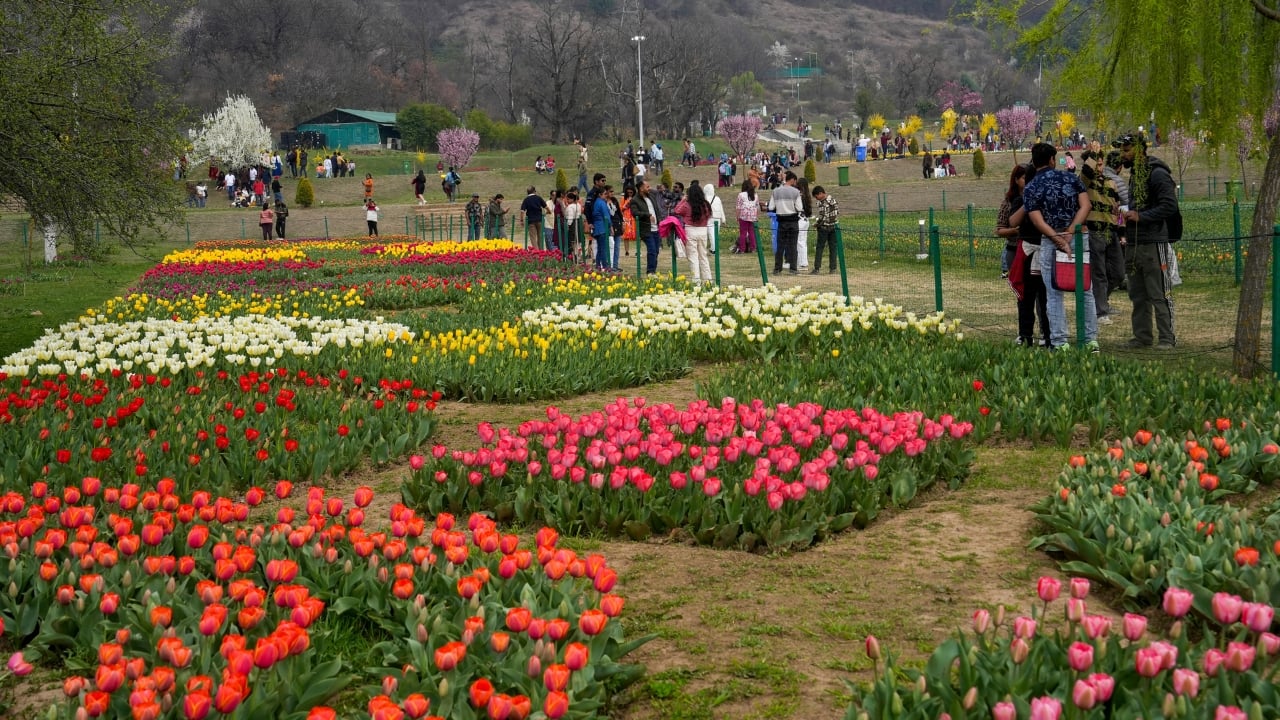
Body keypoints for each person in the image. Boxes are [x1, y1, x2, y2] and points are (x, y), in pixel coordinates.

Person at [1023, 142, 1097, 353]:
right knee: (1085, 289)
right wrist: (1072, 231)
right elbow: (1086, 205)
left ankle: (1059, 342)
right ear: (1052, 160)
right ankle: (1090, 339)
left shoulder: (1031, 187)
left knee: (1053, 292)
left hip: (1050, 240)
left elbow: (1037, 221)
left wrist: (1058, 239)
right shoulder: (1070, 178)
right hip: (1078, 236)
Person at [1115, 132, 1178, 349]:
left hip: (1153, 242)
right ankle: (1142, 337)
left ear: (1140, 150)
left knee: (1159, 292)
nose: (1122, 154)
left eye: (1126, 150)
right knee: (1137, 294)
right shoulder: (1135, 175)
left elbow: (1169, 206)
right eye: (1122, 150)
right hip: (1133, 242)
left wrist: (1141, 216)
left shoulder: (1157, 173)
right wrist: (1124, 214)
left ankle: (1167, 338)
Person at [1080, 151, 1124, 324]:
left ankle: (1100, 301)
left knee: (1119, 273)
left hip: (1111, 231)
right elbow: (1084, 175)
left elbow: (1118, 209)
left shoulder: (1111, 183)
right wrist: (1091, 154)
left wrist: (1122, 231)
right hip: (1095, 231)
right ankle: (1100, 311)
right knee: (1098, 273)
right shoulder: (1086, 183)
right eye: (1096, 164)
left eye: (1101, 164)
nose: (1100, 167)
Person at [673, 182, 713, 284]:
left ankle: (696, 281)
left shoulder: (687, 205)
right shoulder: (706, 205)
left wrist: (683, 200)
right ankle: (708, 280)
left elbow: (676, 211)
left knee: (693, 258)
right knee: (703, 256)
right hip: (703, 230)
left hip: (690, 230)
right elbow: (709, 216)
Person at [768, 172, 803, 275]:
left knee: (780, 245)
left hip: (781, 220)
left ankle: (777, 268)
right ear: (792, 179)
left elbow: (771, 207)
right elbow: (799, 208)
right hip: (792, 220)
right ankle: (793, 268)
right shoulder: (796, 192)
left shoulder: (776, 191)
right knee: (792, 245)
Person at [632, 180, 661, 274]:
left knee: (656, 251)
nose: (650, 188)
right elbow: (635, 213)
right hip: (646, 230)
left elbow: (656, 210)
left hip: (656, 228)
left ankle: (653, 270)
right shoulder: (635, 200)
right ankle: (650, 272)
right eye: (647, 187)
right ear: (641, 188)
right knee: (652, 250)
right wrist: (647, 215)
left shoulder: (651, 197)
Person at [811, 185, 839, 273]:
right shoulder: (833, 200)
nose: (816, 199)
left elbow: (823, 216)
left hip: (824, 228)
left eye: (816, 196)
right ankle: (833, 268)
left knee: (820, 247)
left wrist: (816, 224)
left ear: (821, 193)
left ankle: (817, 268)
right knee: (833, 248)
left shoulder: (823, 203)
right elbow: (837, 212)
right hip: (833, 226)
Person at [589, 185, 612, 271]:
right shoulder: (602, 203)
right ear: (600, 194)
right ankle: (605, 266)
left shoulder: (596, 202)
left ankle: (598, 265)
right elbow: (606, 216)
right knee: (603, 248)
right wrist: (610, 226)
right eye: (605, 194)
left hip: (597, 228)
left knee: (599, 248)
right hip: (603, 227)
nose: (606, 195)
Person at [735, 179, 759, 254]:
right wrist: (756, 216)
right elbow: (757, 207)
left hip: (743, 216)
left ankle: (742, 249)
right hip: (752, 216)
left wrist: (737, 216)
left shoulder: (741, 195)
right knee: (752, 233)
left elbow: (738, 207)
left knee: (743, 233)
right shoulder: (755, 195)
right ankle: (753, 248)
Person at [794, 176, 813, 270]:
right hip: (805, 220)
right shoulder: (807, 195)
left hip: (800, 220)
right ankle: (802, 261)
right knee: (803, 242)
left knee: (799, 241)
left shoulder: (799, 195)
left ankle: (802, 263)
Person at [703, 183, 725, 254]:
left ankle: (713, 249)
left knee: (711, 234)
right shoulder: (717, 198)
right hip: (718, 218)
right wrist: (723, 219)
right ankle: (714, 248)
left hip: (710, 218)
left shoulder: (705, 198)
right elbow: (721, 208)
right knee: (716, 234)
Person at [563, 190, 582, 260]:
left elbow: (570, 217)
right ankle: (577, 255)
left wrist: (568, 225)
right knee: (577, 241)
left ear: (572, 199)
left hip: (573, 224)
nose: (567, 200)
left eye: (568, 199)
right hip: (578, 223)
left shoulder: (570, 207)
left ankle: (574, 256)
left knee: (572, 241)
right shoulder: (578, 205)